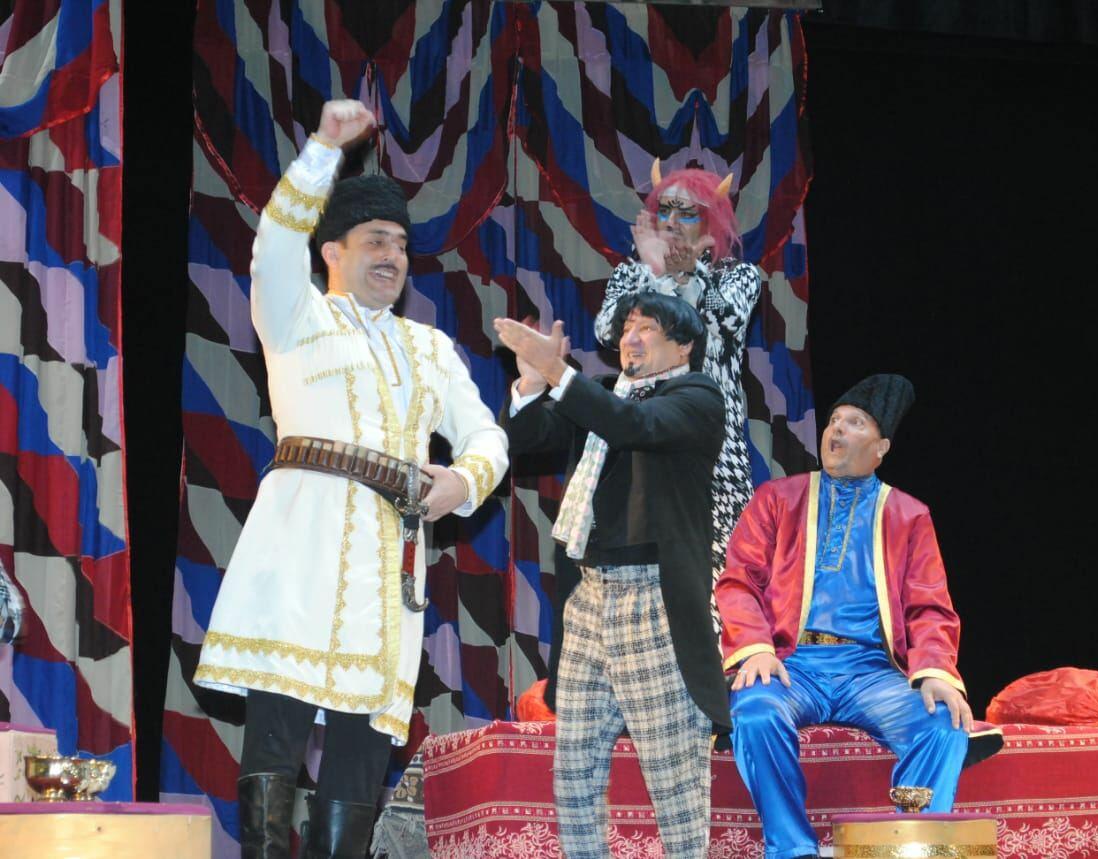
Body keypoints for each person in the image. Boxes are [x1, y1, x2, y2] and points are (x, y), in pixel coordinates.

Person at [194, 100, 508, 858]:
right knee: (275, 735)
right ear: (331, 250)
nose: (392, 256)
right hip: (298, 547)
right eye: (375, 241)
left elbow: (486, 435)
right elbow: (274, 242)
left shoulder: (429, 347)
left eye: (400, 244)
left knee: (362, 748)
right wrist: (324, 151)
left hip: (388, 569)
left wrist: (462, 482)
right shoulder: (297, 315)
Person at [716, 374, 1002, 859]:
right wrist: (756, 649)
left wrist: (935, 671)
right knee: (756, 712)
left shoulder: (908, 514)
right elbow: (739, 581)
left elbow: (930, 606)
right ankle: (792, 849)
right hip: (794, 664)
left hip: (871, 672)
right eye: (834, 420)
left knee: (944, 724)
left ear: (881, 447)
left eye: (855, 423)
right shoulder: (778, 499)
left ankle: (910, 845)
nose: (838, 429)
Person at [494, 292, 729, 858]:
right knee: (575, 771)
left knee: (673, 779)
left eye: (647, 328)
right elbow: (527, 439)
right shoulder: (602, 394)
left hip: (653, 599)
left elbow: (635, 426)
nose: (631, 338)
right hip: (590, 595)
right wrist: (532, 381)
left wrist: (560, 374)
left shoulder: (697, 396)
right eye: (627, 327)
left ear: (684, 347)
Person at [594, 161, 762, 605]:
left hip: (713, 457)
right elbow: (606, 330)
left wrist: (692, 277)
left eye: (687, 213)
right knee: (641, 586)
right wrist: (654, 274)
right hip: (642, 446)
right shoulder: (633, 274)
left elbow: (726, 322)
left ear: (710, 222)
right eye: (664, 210)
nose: (671, 221)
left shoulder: (736, 277)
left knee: (718, 584)